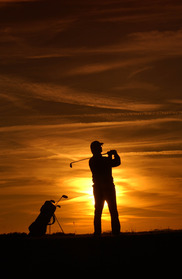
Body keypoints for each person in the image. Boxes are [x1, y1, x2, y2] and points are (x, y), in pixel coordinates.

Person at [89, 141, 121, 236]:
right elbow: (116, 162)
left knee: (99, 210)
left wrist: (110, 156)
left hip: (98, 188)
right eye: (99, 147)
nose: (101, 148)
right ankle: (115, 233)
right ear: (95, 149)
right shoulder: (100, 160)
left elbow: (112, 163)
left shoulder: (92, 160)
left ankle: (98, 233)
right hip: (107, 187)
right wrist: (114, 154)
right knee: (111, 210)